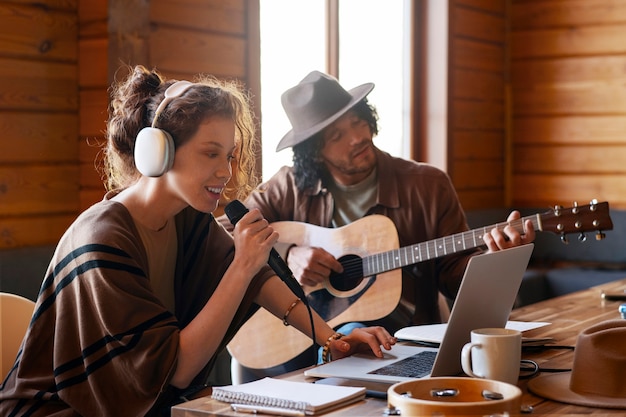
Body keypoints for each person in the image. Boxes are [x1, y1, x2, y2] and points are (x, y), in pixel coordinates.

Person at [0, 65, 396, 417]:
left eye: (229, 155)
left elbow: (257, 280)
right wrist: (243, 265)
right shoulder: (102, 240)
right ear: (160, 152)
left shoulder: (187, 218)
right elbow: (177, 369)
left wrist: (335, 340)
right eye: (211, 154)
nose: (225, 171)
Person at [217, 70, 535, 349]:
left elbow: (453, 276)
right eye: (337, 135)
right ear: (314, 154)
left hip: (407, 342)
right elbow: (223, 234)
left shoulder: (428, 185)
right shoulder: (289, 187)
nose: (357, 138)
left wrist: (496, 264)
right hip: (307, 344)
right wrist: (287, 253)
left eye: (358, 121)